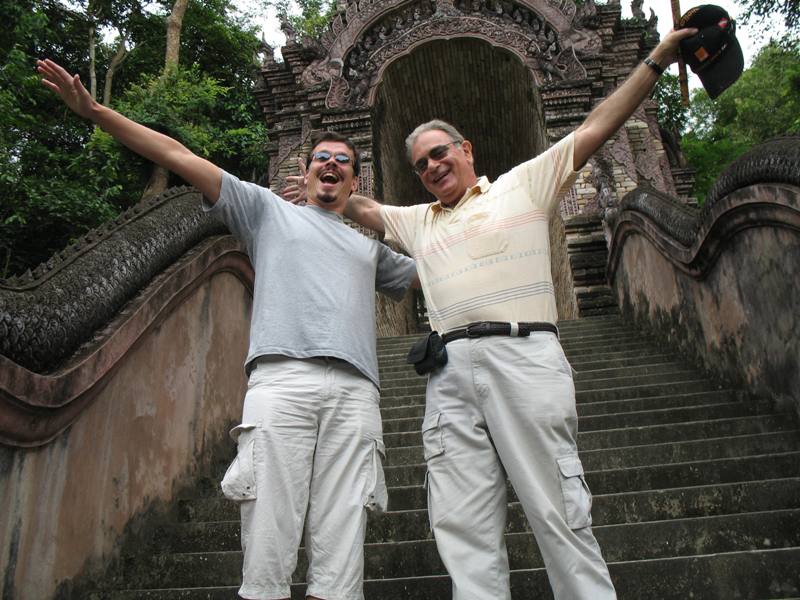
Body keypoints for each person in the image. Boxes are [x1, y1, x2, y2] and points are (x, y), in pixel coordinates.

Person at [283, 26, 696, 600]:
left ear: (466, 151)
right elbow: (353, 200)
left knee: (558, 511)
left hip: (524, 357)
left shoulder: (523, 188)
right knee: (463, 528)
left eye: (439, 153)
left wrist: (657, 59)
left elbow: (596, 127)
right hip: (448, 375)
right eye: (421, 163)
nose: (430, 166)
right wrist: (318, 176)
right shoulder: (418, 221)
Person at [37, 59, 417, 600]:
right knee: (268, 537)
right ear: (305, 174)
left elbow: (433, 273)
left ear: (355, 181)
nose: (331, 166)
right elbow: (179, 156)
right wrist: (96, 111)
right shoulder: (266, 212)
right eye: (321, 160)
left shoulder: (369, 250)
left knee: (344, 545)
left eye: (343, 162)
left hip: (357, 395)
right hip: (282, 383)